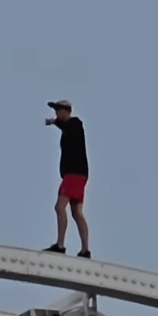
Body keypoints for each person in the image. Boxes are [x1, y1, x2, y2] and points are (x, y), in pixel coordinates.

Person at [43, 100, 91, 258]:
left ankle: (60, 245)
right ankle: (85, 250)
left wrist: (55, 122)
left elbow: (68, 126)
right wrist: (56, 122)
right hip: (77, 174)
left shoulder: (75, 124)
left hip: (74, 174)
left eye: (58, 110)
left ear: (66, 111)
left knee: (59, 206)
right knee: (76, 212)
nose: (56, 113)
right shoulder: (68, 128)